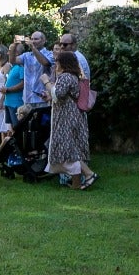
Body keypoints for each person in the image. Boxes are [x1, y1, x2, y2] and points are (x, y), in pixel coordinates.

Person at [46, 50, 90, 189]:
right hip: (72, 116)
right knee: (71, 150)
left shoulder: (66, 76)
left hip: (67, 118)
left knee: (68, 150)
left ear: (63, 63)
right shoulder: (74, 76)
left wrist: (46, 82)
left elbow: (58, 94)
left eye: (57, 62)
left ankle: (88, 175)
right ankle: (77, 182)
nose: (55, 65)